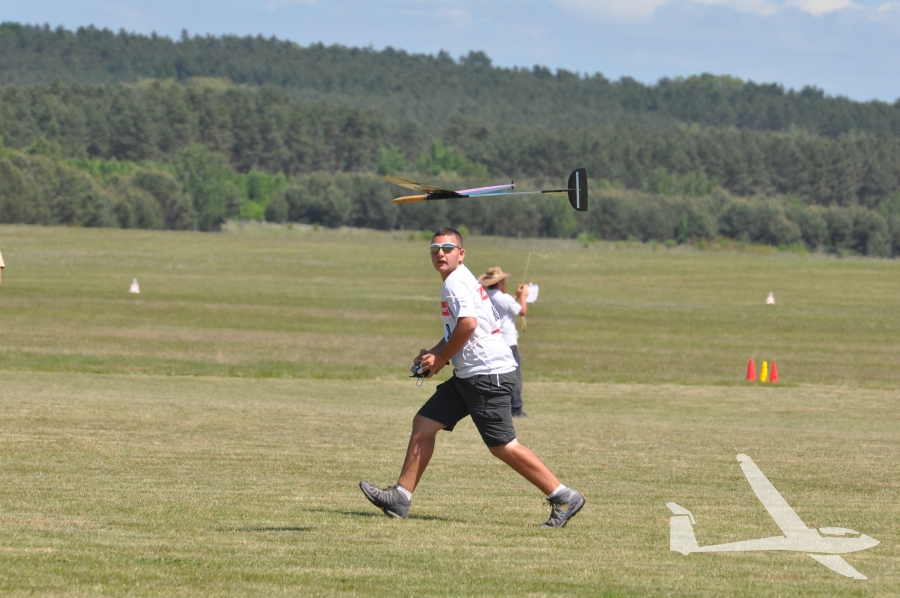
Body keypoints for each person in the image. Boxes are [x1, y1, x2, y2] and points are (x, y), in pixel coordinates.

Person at [359, 228, 584, 528]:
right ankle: (400, 497)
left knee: (503, 445)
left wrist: (441, 358)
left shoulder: (455, 283)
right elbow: (460, 329)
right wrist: (435, 353)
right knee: (424, 424)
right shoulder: (460, 279)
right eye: (435, 249)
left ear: (461, 254)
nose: (440, 253)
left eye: (448, 248)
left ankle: (564, 496)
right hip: (470, 374)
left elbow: (468, 324)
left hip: (487, 374)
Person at [478, 266, 528, 417]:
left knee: (496, 376)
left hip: (492, 342)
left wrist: (516, 295)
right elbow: (522, 311)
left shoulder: (485, 296)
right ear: (500, 282)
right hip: (508, 343)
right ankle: (516, 409)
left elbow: (505, 303)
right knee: (514, 376)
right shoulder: (503, 297)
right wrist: (523, 296)